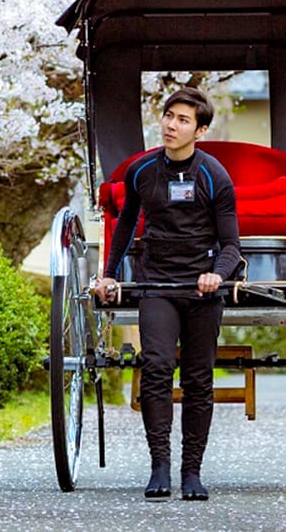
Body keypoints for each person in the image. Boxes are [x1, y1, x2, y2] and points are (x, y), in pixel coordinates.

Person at [93, 86, 241, 502]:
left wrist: (216, 275)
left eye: (182, 120)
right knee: (156, 367)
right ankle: (159, 466)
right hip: (156, 283)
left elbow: (232, 245)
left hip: (199, 288)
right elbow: (124, 228)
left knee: (198, 378)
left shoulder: (214, 176)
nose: (171, 126)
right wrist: (108, 274)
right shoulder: (141, 172)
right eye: (168, 116)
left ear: (201, 130)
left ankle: (191, 471)